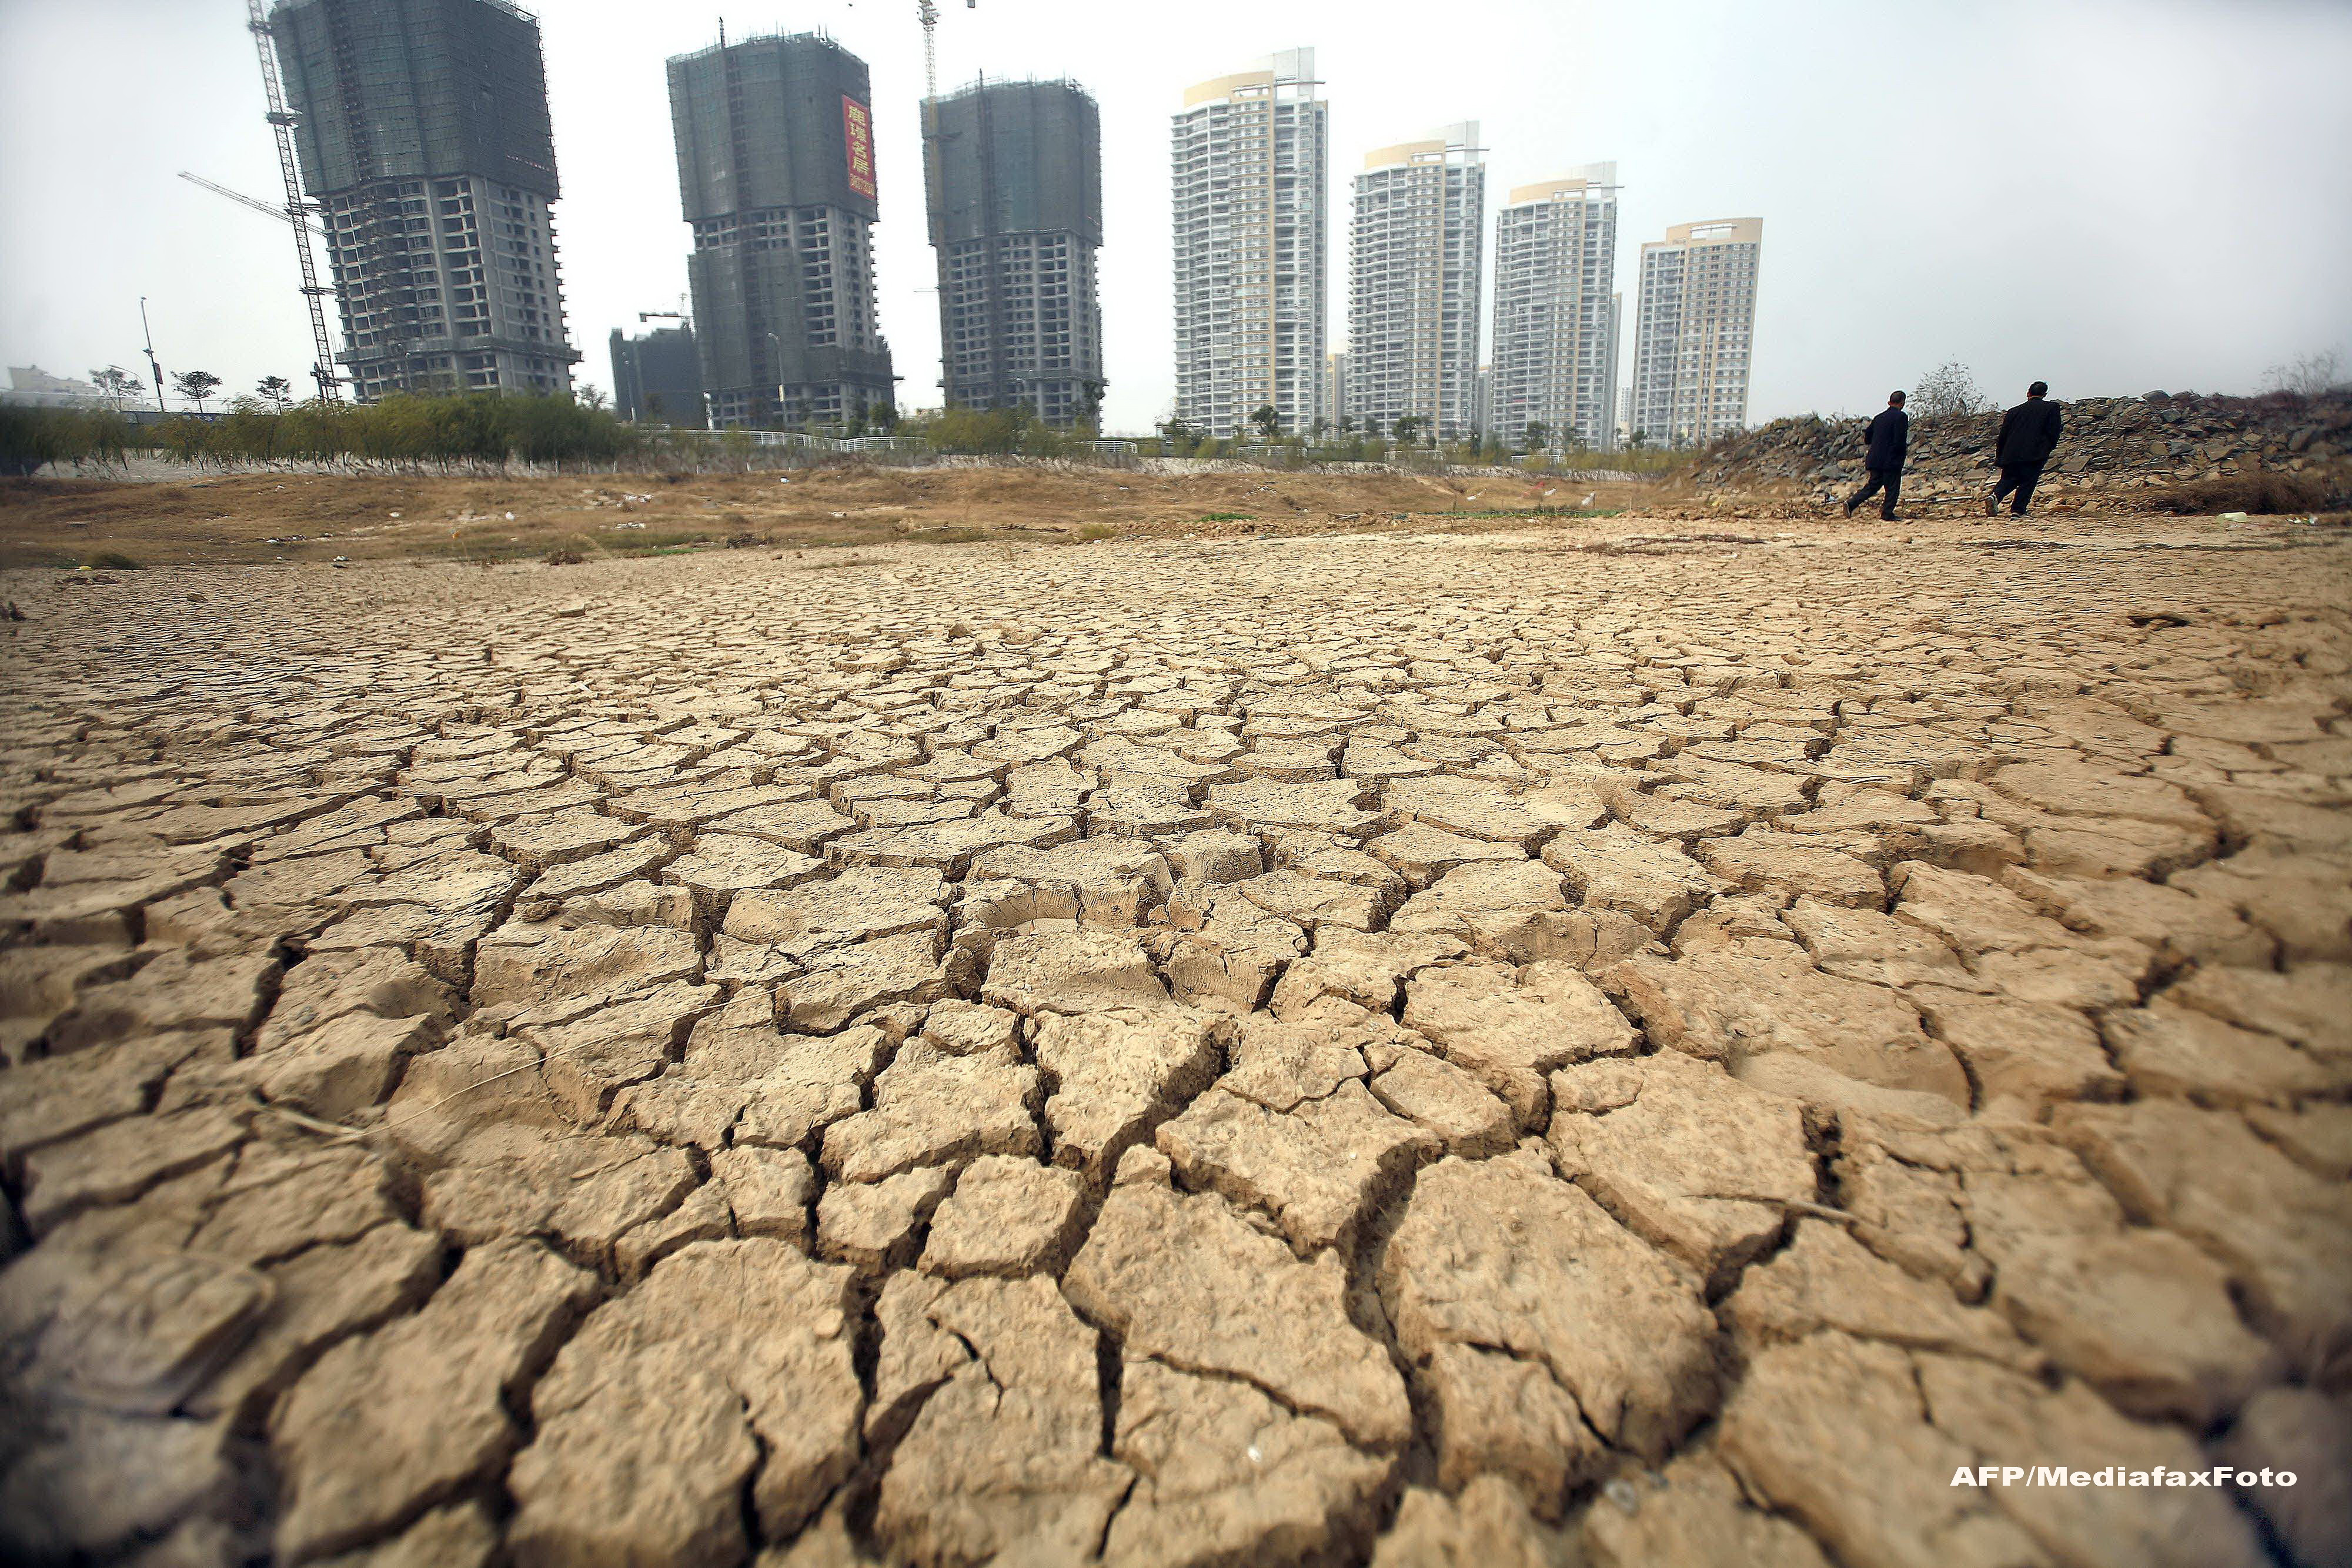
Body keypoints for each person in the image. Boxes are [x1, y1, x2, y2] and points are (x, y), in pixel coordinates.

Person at [1989, 380, 2063, 516]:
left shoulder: (2013, 412)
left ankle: (1995, 496)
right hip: (2035, 452)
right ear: (2045, 394)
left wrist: (2000, 456)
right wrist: (2048, 448)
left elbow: (2003, 435)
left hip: (2010, 452)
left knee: (2009, 478)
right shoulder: (2052, 408)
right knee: (2028, 480)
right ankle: (2018, 510)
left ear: (2028, 393)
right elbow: (2054, 431)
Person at [1843, 391, 1909, 520]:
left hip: (1875, 458)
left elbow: (1868, 438)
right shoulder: (1901, 417)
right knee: (1893, 488)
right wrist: (1900, 455)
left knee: (1873, 486)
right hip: (1891, 459)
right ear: (1902, 403)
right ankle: (1887, 514)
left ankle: (1851, 503)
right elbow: (1899, 440)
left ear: (1889, 403)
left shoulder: (1879, 417)